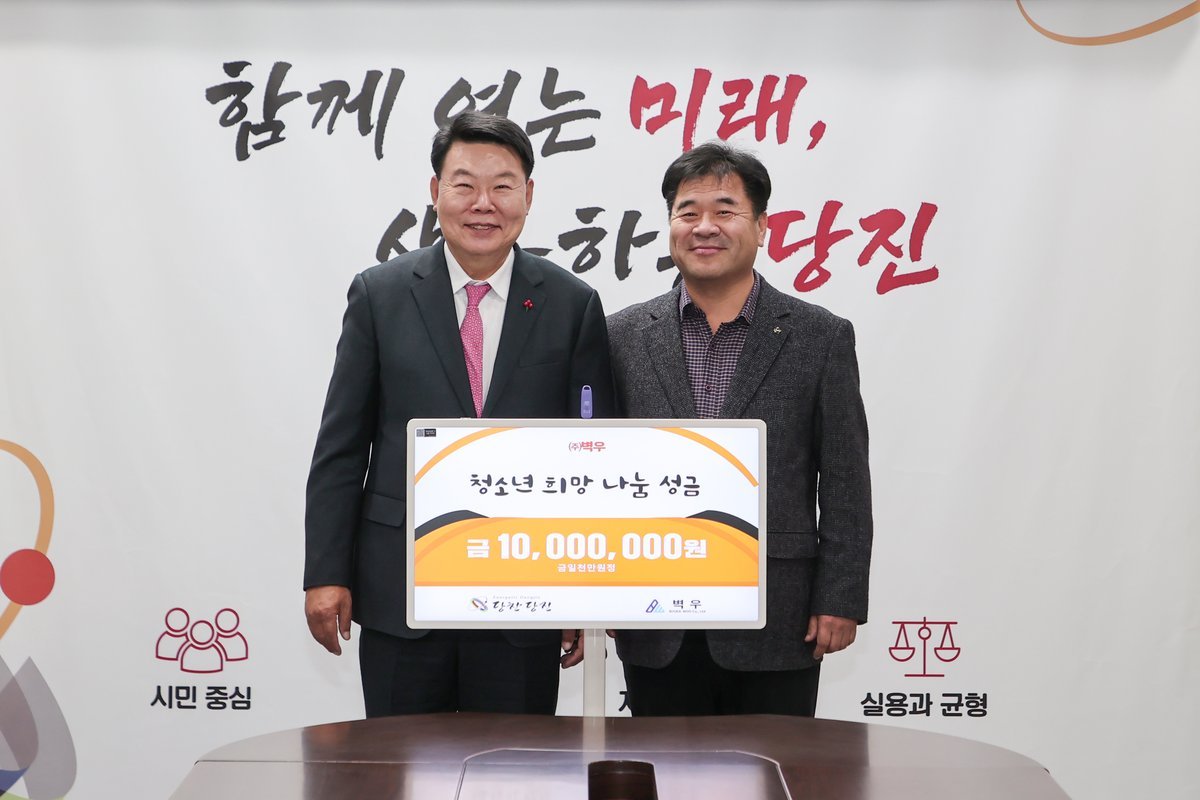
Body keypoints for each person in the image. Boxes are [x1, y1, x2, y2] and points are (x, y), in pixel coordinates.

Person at [304, 111, 614, 717]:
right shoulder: (379, 295)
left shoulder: (572, 304)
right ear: (435, 191)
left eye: (503, 186)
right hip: (402, 593)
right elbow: (342, 447)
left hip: (525, 596)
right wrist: (326, 572)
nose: (483, 204)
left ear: (528, 195)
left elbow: (590, 454)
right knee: (398, 762)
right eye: (464, 184)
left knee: (515, 764)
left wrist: (581, 591)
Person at [606, 142, 872, 716]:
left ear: (762, 226)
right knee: (661, 763)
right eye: (688, 212)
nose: (704, 226)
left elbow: (845, 479)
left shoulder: (819, 336)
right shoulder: (620, 336)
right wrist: (593, 591)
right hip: (654, 613)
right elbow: (597, 466)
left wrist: (840, 596)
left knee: (774, 764)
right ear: (671, 225)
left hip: (777, 616)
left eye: (725, 211)